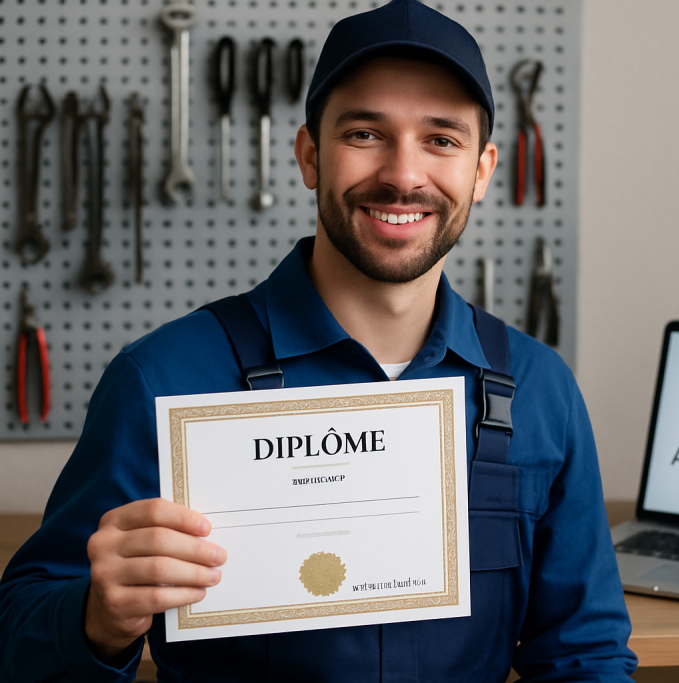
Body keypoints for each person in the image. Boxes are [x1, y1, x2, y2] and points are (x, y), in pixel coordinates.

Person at [0, 1, 637, 681]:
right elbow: (18, 636)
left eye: (441, 139)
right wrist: (97, 617)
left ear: (481, 172)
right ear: (309, 156)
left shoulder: (542, 391)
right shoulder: (162, 379)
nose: (403, 173)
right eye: (365, 133)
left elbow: (583, 653)